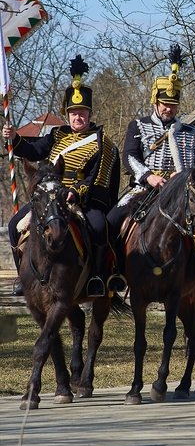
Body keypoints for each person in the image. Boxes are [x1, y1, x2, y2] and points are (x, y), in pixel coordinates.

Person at [3, 55, 122, 298]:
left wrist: (75, 192)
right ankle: (23, 276)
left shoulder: (102, 143)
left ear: (89, 114)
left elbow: (96, 177)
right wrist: (14, 138)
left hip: (81, 199)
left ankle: (97, 277)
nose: (78, 117)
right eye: (74, 112)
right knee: (16, 225)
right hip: (51, 195)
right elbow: (34, 151)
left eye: (82, 112)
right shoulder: (57, 136)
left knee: (100, 227)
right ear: (67, 114)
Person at [107, 44, 195, 285]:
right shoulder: (138, 126)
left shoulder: (192, 131)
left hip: (185, 194)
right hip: (147, 188)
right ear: (155, 102)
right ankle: (114, 271)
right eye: (164, 104)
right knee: (112, 220)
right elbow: (129, 157)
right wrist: (149, 177)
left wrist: (191, 178)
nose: (169, 108)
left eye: (173, 104)